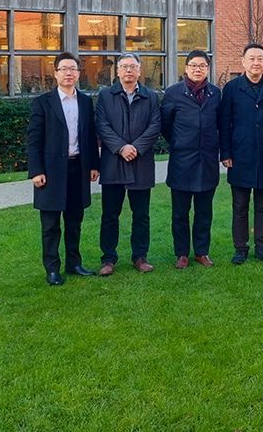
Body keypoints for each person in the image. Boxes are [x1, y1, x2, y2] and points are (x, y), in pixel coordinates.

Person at [26, 51, 100, 285]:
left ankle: (74, 263)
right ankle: (52, 269)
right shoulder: (43, 103)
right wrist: (36, 170)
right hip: (50, 172)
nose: (69, 73)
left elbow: (90, 136)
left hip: (78, 168)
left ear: (78, 73)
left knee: (74, 221)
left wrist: (93, 165)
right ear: (55, 73)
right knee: (50, 224)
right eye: (64, 69)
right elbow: (34, 140)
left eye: (73, 69)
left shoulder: (85, 102)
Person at [219, 42, 263, 264]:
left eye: (260, 59)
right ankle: (240, 248)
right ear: (243, 62)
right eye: (252, 59)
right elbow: (224, 123)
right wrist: (225, 153)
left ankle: (262, 247)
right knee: (240, 205)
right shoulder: (232, 88)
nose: (256, 63)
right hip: (240, 154)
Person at [94, 53, 162, 275]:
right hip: (113, 163)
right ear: (117, 71)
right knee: (109, 215)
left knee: (141, 215)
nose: (128, 70)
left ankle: (140, 257)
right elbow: (102, 125)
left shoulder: (151, 97)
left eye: (133, 66)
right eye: (124, 66)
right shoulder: (105, 95)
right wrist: (121, 147)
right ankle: (108, 259)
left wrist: (137, 147)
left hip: (141, 164)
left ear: (139, 71)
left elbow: (155, 126)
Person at [161, 50, 221, 269]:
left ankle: (202, 252)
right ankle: (182, 253)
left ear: (207, 69)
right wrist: (180, 142)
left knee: (204, 212)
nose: (198, 69)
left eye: (202, 66)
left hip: (207, 161)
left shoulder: (215, 93)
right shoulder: (173, 93)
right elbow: (165, 125)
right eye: (194, 65)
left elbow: (221, 124)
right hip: (182, 162)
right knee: (180, 213)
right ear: (186, 68)